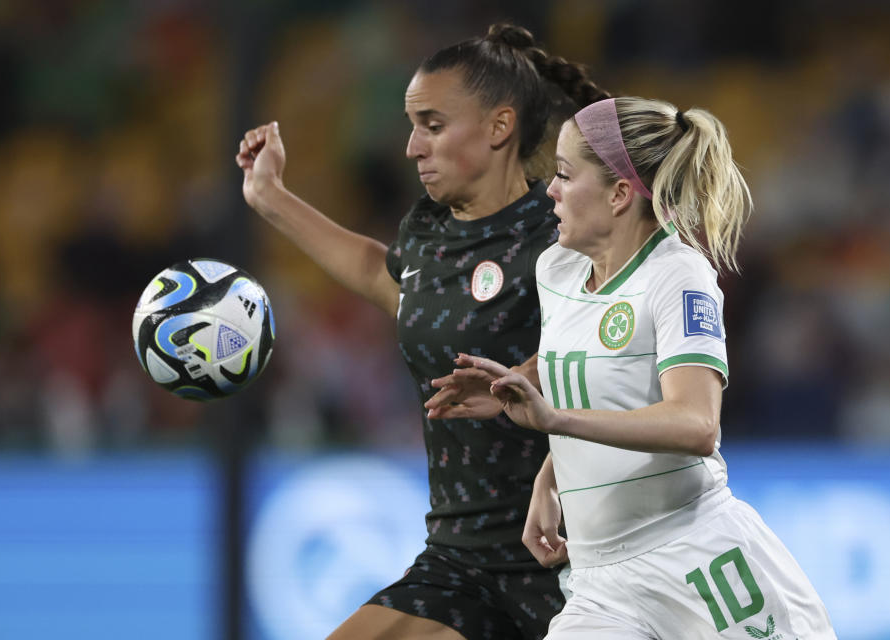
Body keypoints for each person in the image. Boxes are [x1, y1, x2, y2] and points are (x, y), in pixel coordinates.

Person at [236, 23, 611, 640]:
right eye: (413, 126)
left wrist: (527, 378)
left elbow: (621, 344)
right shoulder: (428, 231)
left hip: (572, 561)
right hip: (460, 560)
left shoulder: (563, 229)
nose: (412, 146)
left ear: (499, 127)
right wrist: (270, 196)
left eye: (433, 126)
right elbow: (381, 275)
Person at [439, 97, 837, 638]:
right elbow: (595, 368)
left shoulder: (678, 275)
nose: (550, 190)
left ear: (620, 193)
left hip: (697, 561)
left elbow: (696, 425)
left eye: (563, 174)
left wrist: (555, 422)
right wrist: (547, 460)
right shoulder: (556, 268)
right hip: (602, 584)